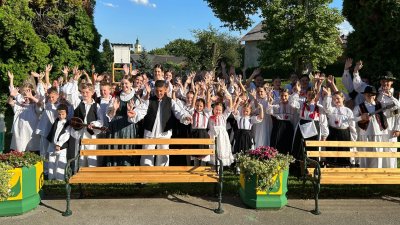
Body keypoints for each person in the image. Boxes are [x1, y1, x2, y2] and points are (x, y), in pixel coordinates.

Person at [128, 80, 191, 166]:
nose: (159, 93)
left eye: (161, 91)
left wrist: (185, 117)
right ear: (154, 90)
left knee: (163, 155)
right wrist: (134, 113)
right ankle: (147, 176)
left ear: (165, 89)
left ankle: (162, 176)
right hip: (150, 132)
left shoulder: (170, 101)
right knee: (147, 155)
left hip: (164, 132)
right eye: (157, 91)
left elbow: (179, 111)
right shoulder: (149, 101)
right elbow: (141, 110)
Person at [353, 85, 400, 168]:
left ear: (375, 96)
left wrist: (391, 97)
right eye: (368, 95)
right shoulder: (359, 107)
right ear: (364, 95)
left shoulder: (381, 105)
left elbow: (397, 107)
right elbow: (352, 119)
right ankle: (364, 175)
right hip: (365, 134)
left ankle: (377, 174)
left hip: (379, 134)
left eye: (373, 95)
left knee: (378, 156)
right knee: (365, 155)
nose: (370, 96)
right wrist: (361, 117)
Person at [106, 77, 143, 166]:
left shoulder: (136, 98)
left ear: (131, 84)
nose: (124, 85)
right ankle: (114, 167)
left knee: (127, 146)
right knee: (115, 147)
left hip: (128, 126)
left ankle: (127, 168)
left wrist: (131, 111)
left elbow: (139, 115)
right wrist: (114, 109)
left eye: (126, 83)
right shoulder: (116, 97)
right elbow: (110, 115)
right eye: (122, 84)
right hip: (115, 125)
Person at [71, 82, 104, 167]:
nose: (85, 94)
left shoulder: (96, 106)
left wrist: (93, 124)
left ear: (92, 93)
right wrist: (74, 81)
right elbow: (72, 95)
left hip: (91, 134)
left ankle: (91, 175)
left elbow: (101, 120)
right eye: (83, 92)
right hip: (80, 133)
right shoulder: (78, 103)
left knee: (91, 154)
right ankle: (80, 174)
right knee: (80, 154)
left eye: (87, 92)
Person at [322, 88, 357, 166]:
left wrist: (353, 138)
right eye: (334, 99)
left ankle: (343, 168)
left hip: (344, 133)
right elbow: (326, 108)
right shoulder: (332, 109)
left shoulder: (348, 111)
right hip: (333, 132)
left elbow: (352, 125)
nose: (336, 100)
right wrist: (328, 96)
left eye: (338, 98)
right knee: (331, 153)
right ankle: (330, 167)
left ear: (343, 98)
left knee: (344, 153)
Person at [8, 76, 41, 152]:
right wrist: (11, 80)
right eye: (25, 95)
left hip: (31, 133)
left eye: (28, 92)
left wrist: (31, 97)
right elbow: (10, 101)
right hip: (19, 132)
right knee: (19, 151)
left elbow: (40, 104)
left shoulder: (34, 106)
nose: (26, 97)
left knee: (32, 151)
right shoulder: (19, 105)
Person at [266, 89, 296, 154]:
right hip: (279, 124)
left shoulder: (292, 104)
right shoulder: (277, 103)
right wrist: (270, 103)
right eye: (282, 95)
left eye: (285, 95)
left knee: (287, 142)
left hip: (288, 125)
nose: (283, 97)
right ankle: (276, 158)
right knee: (277, 141)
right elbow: (269, 111)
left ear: (289, 96)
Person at [47, 104, 71, 181]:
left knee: (61, 161)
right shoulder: (56, 121)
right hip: (52, 144)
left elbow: (66, 135)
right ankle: (51, 177)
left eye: (63, 114)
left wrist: (59, 144)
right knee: (51, 160)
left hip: (61, 146)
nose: (60, 116)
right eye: (59, 114)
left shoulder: (68, 124)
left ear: (66, 114)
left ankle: (60, 178)